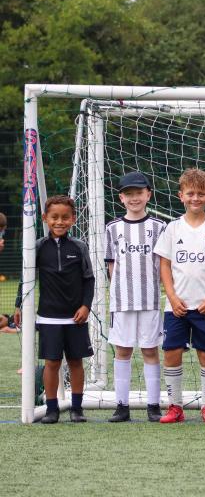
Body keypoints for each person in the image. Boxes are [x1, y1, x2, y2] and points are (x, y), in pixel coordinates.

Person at [153, 168, 205, 424]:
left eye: (201, 194)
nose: (195, 198)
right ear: (181, 196)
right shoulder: (172, 229)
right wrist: (172, 296)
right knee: (171, 352)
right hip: (177, 306)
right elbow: (164, 265)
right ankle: (175, 407)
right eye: (190, 193)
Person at [15, 195, 94, 424]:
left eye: (65, 217)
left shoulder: (79, 247)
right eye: (54, 217)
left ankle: (77, 408)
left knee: (76, 361)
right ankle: (51, 409)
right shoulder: (37, 246)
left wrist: (86, 306)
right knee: (52, 363)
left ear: (73, 219)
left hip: (75, 317)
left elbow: (89, 280)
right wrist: (19, 304)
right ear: (45, 218)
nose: (60, 222)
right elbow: (26, 277)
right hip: (48, 316)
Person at [105, 171, 167, 422]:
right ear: (121, 198)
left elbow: (163, 265)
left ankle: (153, 405)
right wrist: (118, 289)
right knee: (123, 351)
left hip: (150, 300)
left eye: (139, 193)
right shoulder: (113, 228)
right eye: (129, 194)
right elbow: (111, 266)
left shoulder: (159, 227)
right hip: (122, 302)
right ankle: (122, 405)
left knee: (151, 351)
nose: (134, 198)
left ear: (148, 194)